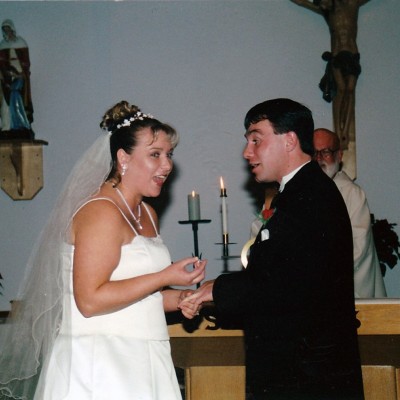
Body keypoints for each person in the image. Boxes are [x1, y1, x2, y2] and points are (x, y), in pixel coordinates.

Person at [0, 100, 206, 400]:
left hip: (145, 357)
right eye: (155, 155)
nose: (167, 165)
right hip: (101, 364)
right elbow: (91, 300)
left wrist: (182, 298)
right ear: (123, 158)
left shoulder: (146, 213)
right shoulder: (101, 212)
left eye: (169, 154)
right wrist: (164, 276)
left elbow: (135, 296)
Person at [182, 98, 364, 399]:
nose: (246, 152)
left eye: (256, 139)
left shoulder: (309, 198)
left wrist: (216, 291)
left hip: (306, 380)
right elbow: (281, 273)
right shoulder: (301, 193)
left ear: (289, 140)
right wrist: (215, 287)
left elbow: (282, 287)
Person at [313, 128, 386, 298]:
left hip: (347, 289)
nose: (319, 159)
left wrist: (317, 275)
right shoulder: (302, 193)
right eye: (314, 152)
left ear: (339, 156)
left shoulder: (351, 194)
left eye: (325, 152)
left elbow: (358, 248)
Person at [290, 0, 370, 151]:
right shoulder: (327, 11)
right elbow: (303, 3)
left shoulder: (352, 4)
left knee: (350, 91)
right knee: (340, 90)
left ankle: (345, 132)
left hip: (352, 54)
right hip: (337, 56)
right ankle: (340, 134)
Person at [0, 19, 33, 137]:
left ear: (12, 29)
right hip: (7, 77)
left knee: (15, 95)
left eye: (8, 29)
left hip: (20, 75)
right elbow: (2, 63)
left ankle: (22, 124)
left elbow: (26, 62)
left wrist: (20, 73)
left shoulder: (21, 43)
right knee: (6, 101)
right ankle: (8, 127)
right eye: (5, 30)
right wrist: (8, 73)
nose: (7, 32)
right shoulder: (3, 45)